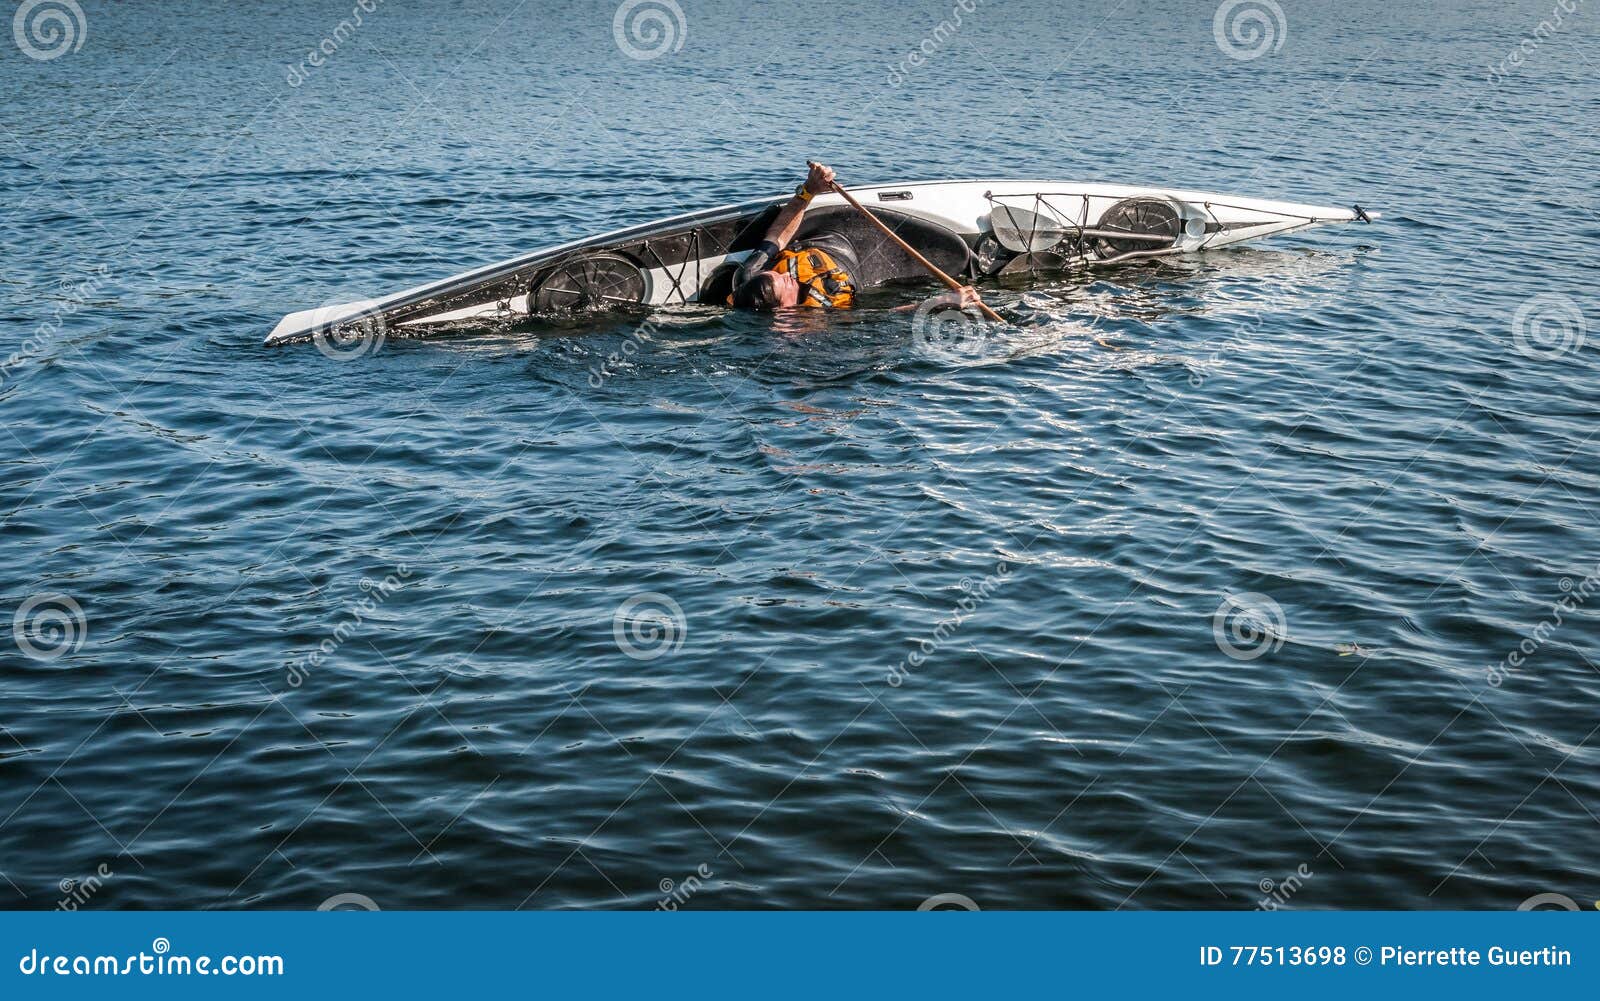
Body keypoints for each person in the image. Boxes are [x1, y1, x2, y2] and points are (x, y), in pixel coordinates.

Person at [729, 162, 981, 314]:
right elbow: (885, 314)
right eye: (783, 282)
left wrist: (809, 190)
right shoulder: (819, 317)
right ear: (783, 308)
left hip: (829, 235)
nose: (786, 274)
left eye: (777, 273)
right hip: (866, 266)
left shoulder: (748, 278)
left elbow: (777, 236)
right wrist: (945, 301)